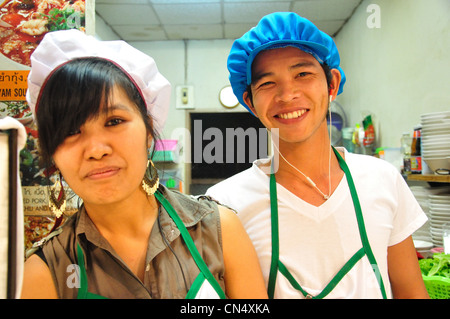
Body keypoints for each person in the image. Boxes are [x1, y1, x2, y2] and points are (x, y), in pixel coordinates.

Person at [21, 29, 267, 299]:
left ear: (149, 129)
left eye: (114, 121)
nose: (96, 149)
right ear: (51, 151)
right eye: (70, 131)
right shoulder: (44, 273)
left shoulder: (219, 231)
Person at [206, 12, 429, 299]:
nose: (287, 95)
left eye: (303, 74)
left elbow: (411, 292)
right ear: (250, 101)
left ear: (332, 83)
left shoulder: (382, 179)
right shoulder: (225, 204)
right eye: (267, 83)